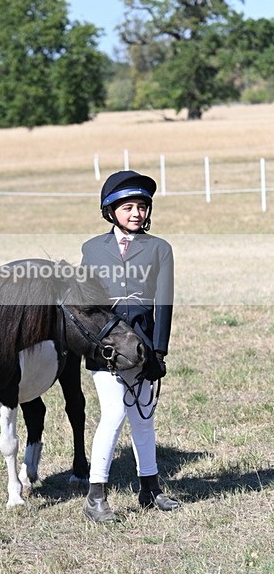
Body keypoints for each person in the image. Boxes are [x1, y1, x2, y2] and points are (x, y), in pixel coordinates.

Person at [80, 169, 179, 523]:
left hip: (142, 345)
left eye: (141, 206)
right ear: (111, 212)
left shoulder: (160, 249)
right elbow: (85, 302)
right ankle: (95, 495)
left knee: (143, 417)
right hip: (105, 346)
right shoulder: (91, 248)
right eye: (127, 207)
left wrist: (159, 351)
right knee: (114, 413)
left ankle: (150, 490)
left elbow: (164, 303)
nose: (136, 213)